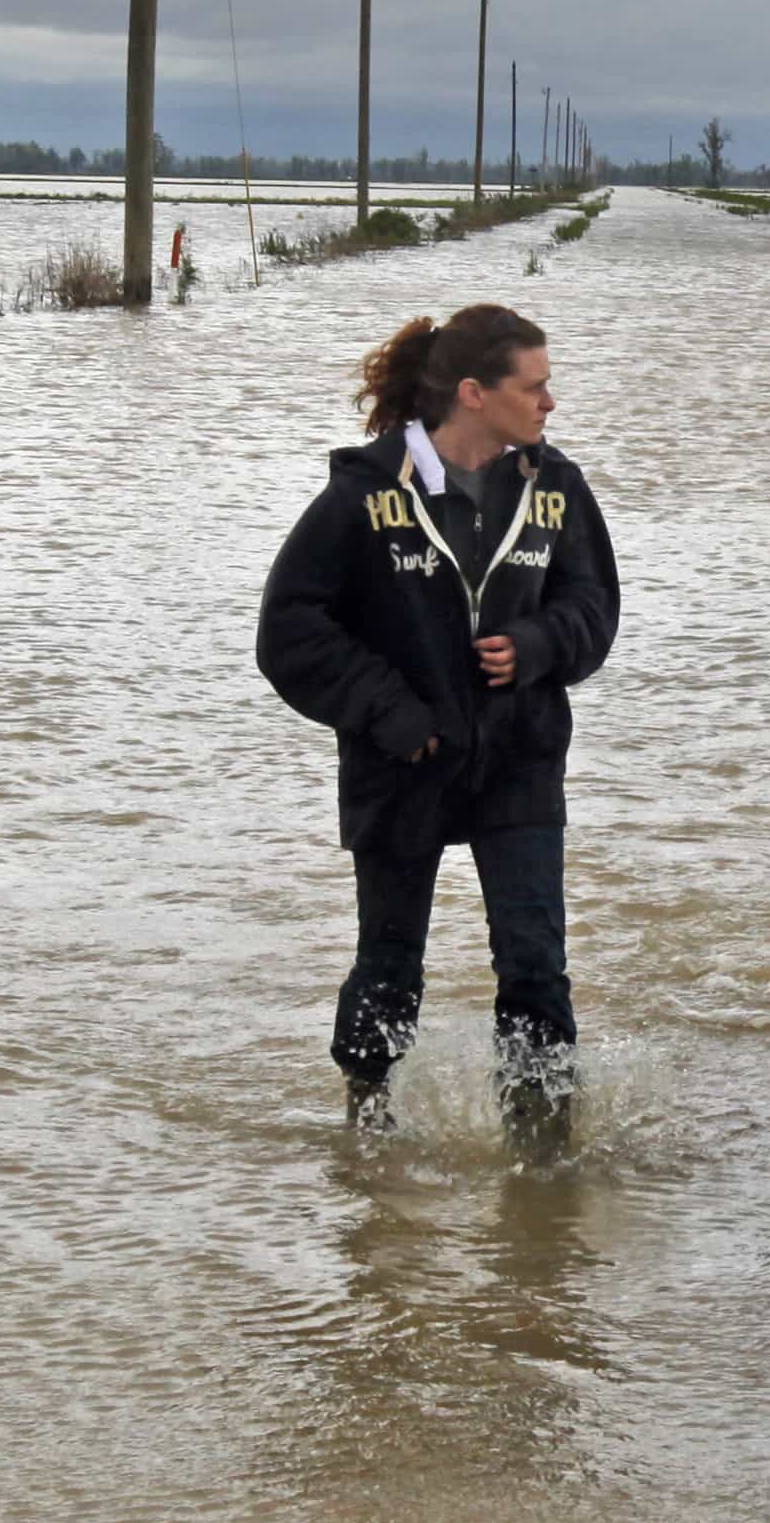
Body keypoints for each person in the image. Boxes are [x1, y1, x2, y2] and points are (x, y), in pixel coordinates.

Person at [255, 303, 622, 1124]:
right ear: (472, 394)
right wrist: (392, 712)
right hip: (402, 765)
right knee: (389, 966)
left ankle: (541, 1136)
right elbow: (289, 631)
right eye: (535, 387)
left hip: (520, 759)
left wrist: (537, 644)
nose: (550, 404)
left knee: (535, 964)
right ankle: (368, 1129)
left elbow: (595, 609)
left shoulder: (556, 488)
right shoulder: (366, 496)